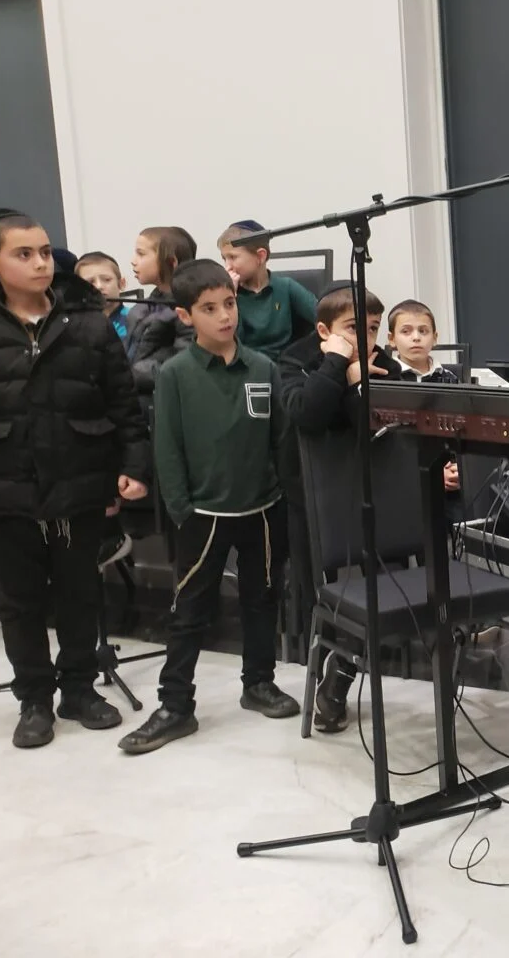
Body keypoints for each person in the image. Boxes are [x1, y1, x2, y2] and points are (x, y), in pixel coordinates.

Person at [0, 208, 150, 748]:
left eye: (44, 252)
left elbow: (123, 404)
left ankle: (79, 690)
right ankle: (34, 699)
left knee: (79, 592)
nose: (41, 263)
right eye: (24, 254)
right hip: (2, 486)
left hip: (78, 481)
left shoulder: (88, 325)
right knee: (18, 602)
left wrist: (133, 466)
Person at [118, 260, 300, 754]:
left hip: (263, 509)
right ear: (185, 316)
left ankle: (258, 683)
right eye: (210, 308)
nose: (224, 316)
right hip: (203, 514)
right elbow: (167, 447)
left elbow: (280, 439)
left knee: (262, 600)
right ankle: (176, 705)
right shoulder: (176, 374)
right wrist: (183, 509)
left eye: (230, 304)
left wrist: (282, 496)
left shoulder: (262, 367)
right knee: (190, 610)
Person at [277, 282, 399, 733]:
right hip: (310, 499)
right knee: (321, 595)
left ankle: (339, 680)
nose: (366, 339)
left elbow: (381, 432)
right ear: (324, 330)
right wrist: (337, 367)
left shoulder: (383, 364)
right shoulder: (294, 360)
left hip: (371, 494)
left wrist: (359, 386)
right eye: (354, 328)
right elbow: (307, 415)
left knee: (377, 592)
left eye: (373, 328)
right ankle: (326, 671)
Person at [75, 251, 138, 568]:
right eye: (90, 281)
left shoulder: (133, 319)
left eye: (106, 279)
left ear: (121, 282)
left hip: (121, 403)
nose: (99, 286)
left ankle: (111, 533)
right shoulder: (74, 325)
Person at [219, 220, 317, 361]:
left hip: (282, 365)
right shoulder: (227, 295)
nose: (227, 267)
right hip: (243, 365)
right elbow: (226, 344)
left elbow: (325, 317)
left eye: (233, 257)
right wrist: (229, 298)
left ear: (260, 256)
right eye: (224, 259)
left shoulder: (285, 287)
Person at [126, 226, 197, 394]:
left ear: (171, 262)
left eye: (141, 254)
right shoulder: (145, 305)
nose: (133, 261)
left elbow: (183, 364)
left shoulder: (186, 308)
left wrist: (126, 376)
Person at [386, 299, 460, 384]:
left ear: (434, 338)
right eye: (405, 331)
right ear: (392, 339)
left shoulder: (450, 379)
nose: (416, 337)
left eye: (423, 331)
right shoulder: (382, 377)